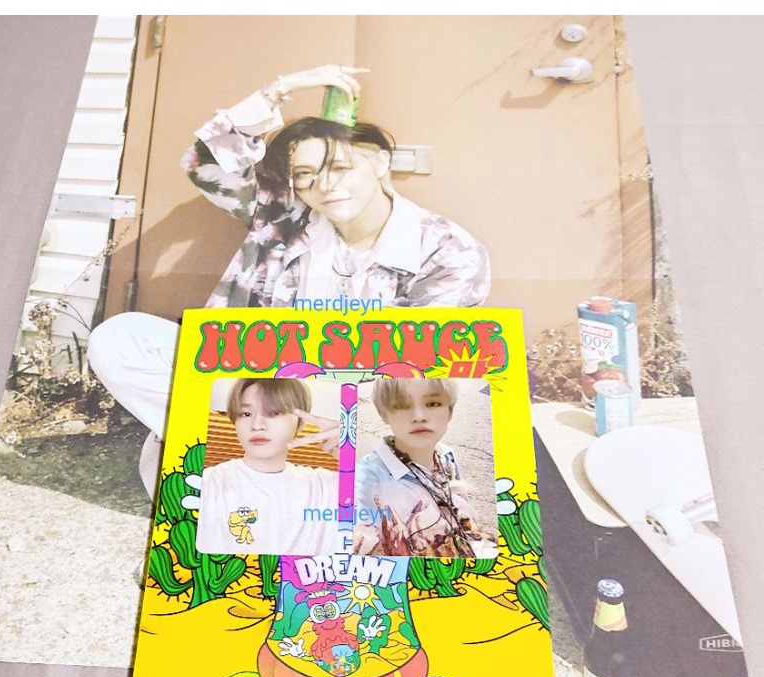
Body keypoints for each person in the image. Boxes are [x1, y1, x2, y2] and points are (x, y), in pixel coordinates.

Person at [87, 65, 491, 494]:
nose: (324, 185)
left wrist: (356, 419)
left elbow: (425, 365)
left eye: (340, 167)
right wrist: (278, 91)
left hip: (356, 405)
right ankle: (245, 457)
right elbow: (204, 164)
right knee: (119, 338)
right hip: (258, 387)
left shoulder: (449, 252)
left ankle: (266, 465)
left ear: (379, 161)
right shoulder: (283, 216)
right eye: (305, 174)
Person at [353, 378, 497, 558]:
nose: (419, 416)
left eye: (432, 403)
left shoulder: (446, 456)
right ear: (383, 414)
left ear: (450, 411)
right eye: (402, 405)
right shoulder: (366, 477)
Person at [196, 379, 340, 555]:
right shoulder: (206, 483)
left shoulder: (326, 487)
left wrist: (351, 451)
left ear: (301, 423)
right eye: (246, 414)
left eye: (274, 412)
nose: (257, 425)